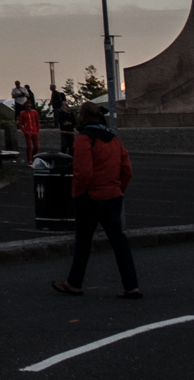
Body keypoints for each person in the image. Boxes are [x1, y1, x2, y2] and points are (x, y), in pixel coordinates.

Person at [52, 100, 141, 299]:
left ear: (82, 117)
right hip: (113, 196)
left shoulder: (84, 139)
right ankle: (131, 285)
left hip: (90, 198)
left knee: (83, 241)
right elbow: (126, 170)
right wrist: (119, 189)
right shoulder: (114, 139)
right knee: (119, 242)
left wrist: (77, 194)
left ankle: (74, 283)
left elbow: (83, 172)